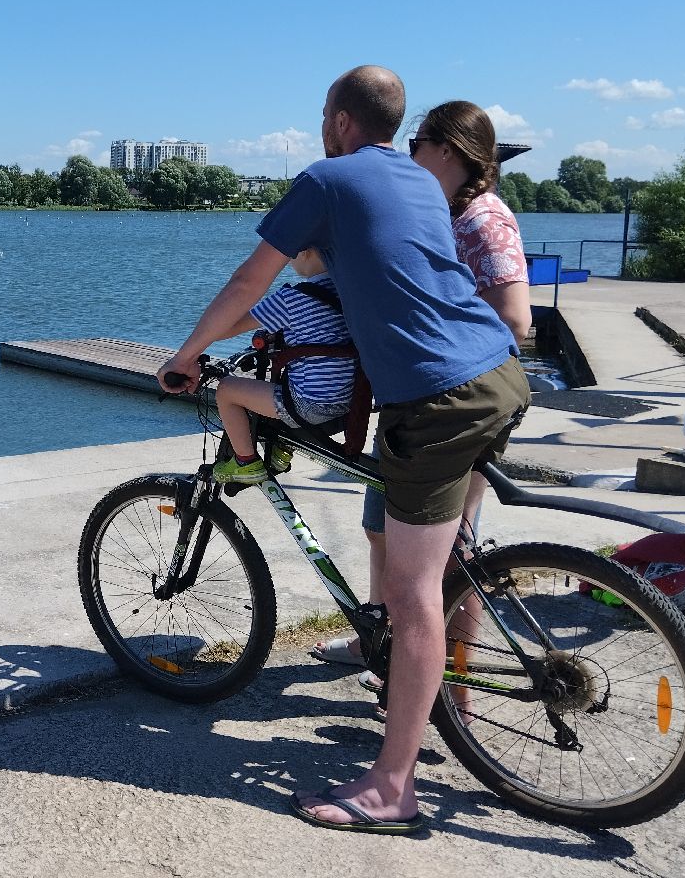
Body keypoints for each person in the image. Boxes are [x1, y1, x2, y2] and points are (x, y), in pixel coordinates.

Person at [157, 66, 530, 835]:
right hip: (498, 372)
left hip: (438, 397)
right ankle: (443, 700)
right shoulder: (422, 184)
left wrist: (189, 353)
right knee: (427, 553)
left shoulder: (325, 179)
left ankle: (393, 789)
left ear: (338, 121)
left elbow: (247, 284)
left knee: (414, 589)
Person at [312, 101, 532, 705]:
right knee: (382, 531)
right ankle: (376, 644)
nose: (408, 154)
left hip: (455, 399)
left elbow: (515, 319)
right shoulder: (429, 206)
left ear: (449, 150)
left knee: (452, 558)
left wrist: (436, 338)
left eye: (418, 143)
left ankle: (453, 696)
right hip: (411, 398)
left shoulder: (485, 219)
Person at [211, 247, 354, 485]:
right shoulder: (349, 291)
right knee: (288, 380)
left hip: (310, 407)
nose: (288, 261)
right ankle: (281, 450)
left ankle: (245, 462)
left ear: (306, 251)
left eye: (290, 253)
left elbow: (222, 329)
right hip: (349, 404)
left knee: (227, 390)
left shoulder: (292, 299)